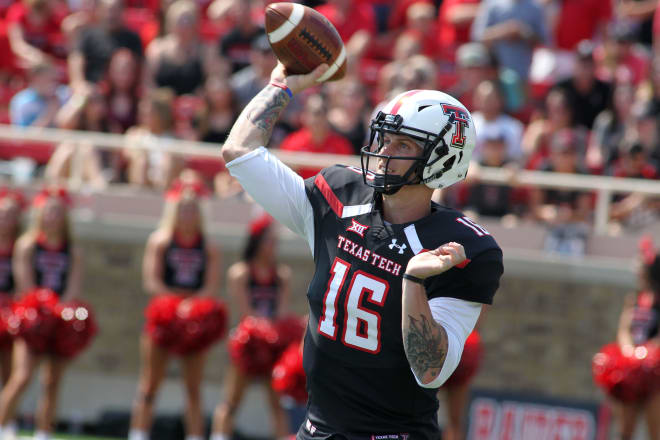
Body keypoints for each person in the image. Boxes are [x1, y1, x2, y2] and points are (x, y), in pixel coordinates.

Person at [219, 62, 503, 438]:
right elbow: (240, 152)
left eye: (403, 144)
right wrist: (281, 86)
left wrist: (414, 282)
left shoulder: (464, 248)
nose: (385, 151)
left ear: (442, 160)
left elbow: (431, 369)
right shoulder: (340, 196)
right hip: (317, 428)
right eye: (384, 138)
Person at [129, 176, 221, 440]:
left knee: (193, 387)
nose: (187, 213)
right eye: (182, 207)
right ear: (173, 210)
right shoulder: (160, 241)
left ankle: (194, 436)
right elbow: (151, 281)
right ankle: (138, 433)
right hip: (164, 318)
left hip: (194, 320)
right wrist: (175, 306)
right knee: (150, 383)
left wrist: (191, 307)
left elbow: (210, 286)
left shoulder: (209, 245)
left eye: (192, 208)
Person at [0, 186, 83, 440]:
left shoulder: (74, 250)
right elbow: (25, 286)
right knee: (22, 376)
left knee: (52, 381)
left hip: (60, 318)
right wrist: (42, 309)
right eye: (48, 212)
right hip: (32, 318)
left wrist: (61, 311)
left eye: (58, 212)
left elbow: (73, 288)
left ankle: (43, 433)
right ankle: (4, 427)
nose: (52, 217)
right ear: (40, 214)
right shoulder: (27, 245)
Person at [211, 214, 292, 440]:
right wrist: (262, 330)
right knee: (232, 400)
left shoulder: (282, 274)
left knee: (277, 402)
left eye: (275, 242)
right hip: (247, 345)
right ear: (256, 241)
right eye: (269, 241)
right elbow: (246, 312)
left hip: (272, 345)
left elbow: (282, 312)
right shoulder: (241, 273)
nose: (273, 246)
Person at [593, 238, 660, 440]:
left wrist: (648, 355)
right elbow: (624, 328)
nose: (637, 270)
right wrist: (630, 353)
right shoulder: (634, 298)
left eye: (640, 266)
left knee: (654, 431)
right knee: (624, 431)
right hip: (630, 370)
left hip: (655, 371)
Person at [0, 189, 24, 386]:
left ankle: (7, 416)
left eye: (10, 214)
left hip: (11, 312)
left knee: (10, 370)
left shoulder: (23, 246)